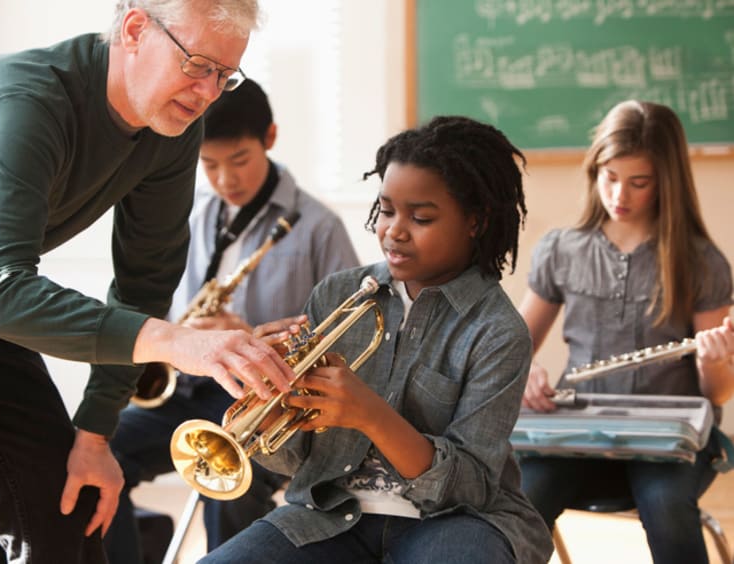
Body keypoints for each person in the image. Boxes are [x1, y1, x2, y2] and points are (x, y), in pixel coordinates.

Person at [0, 1, 300, 562]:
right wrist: (176, 341)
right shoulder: (29, 101)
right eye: (198, 64)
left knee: (71, 508)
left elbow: (146, 279)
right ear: (135, 30)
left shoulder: (173, 125)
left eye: (225, 76)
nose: (207, 92)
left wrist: (95, 435)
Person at [197, 115, 554, 564]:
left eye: (420, 217)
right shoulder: (336, 293)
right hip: (326, 516)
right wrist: (267, 391)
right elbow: (295, 460)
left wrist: (371, 415)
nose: (394, 230)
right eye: (386, 210)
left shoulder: (498, 330)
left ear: (476, 222)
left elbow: (470, 488)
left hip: (456, 521)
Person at [104, 78, 360, 562]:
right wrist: (180, 337)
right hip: (187, 392)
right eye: (210, 164)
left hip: (267, 407)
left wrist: (249, 339)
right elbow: (158, 305)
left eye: (239, 160)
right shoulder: (193, 212)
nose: (225, 180)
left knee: (230, 487)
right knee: (98, 455)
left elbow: (349, 335)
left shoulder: (319, 227)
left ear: (270, 138)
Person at [517, 100, 734, 563]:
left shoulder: (700, 261)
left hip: (670, 441)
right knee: (519, 504)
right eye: (609, 177)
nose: (620, 195)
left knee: (667, 506)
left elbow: (716, 394)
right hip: (577, 435)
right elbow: (511, 348)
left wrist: (715, 361)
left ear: (666, 183)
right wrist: (523, 371)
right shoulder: (562, 248)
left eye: (639, 182)